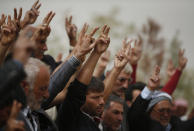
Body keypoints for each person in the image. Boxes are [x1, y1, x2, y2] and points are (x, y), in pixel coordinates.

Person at [56, 24, 110, 131]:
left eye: (101, 97)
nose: (102, 102)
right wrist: (96, 53)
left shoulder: (93, 123)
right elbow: (78, 89)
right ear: (81, 99)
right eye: (95, 97)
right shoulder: (69, 117)